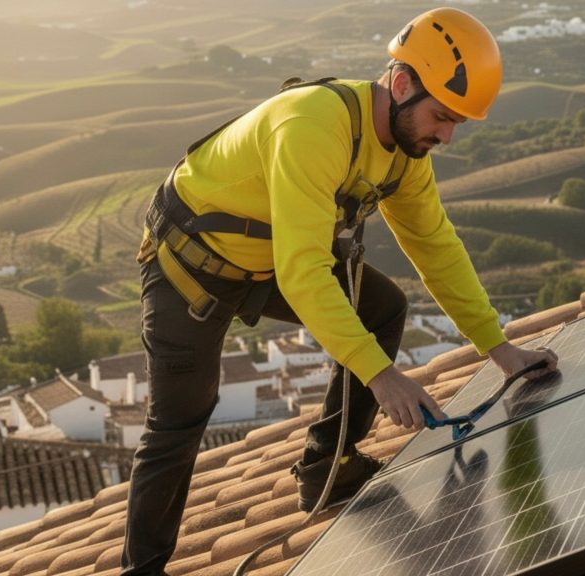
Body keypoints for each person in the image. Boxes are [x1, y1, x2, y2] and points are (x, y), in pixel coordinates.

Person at [121, 7, 559, 575]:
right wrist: (382, 375)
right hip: (191, 267)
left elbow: (436, 247)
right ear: (401, 85)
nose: (446, 136)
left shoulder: (406, 154)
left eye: (458, 124)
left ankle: (328, 467)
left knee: (384, 308)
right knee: (179, 423)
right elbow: (304, 271)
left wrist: (500, 351)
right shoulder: (313, 126)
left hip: (271, 257)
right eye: (441, 116)